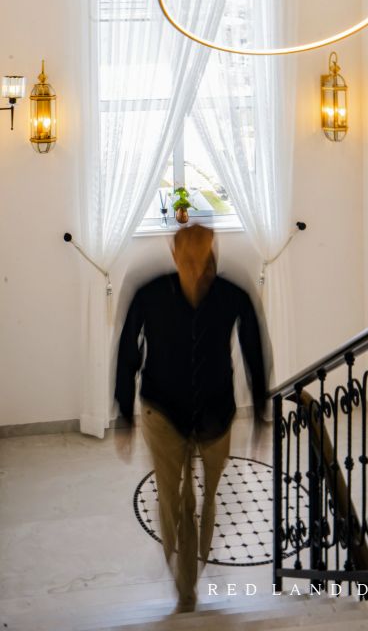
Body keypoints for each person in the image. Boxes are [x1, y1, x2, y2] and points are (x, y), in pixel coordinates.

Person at [114, 223, 269, 613]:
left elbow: (253, 350)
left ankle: (193, 569)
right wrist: (124, 415)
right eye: (187, 259)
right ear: (174, 253)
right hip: (161, 412)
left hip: (216, 413)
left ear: (213, 252)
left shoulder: (233, 295)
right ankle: (184, 584)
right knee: (174, 499)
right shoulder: (149, 294)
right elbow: (128, 353)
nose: (196, 268)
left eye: (202, 259)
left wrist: (262, 412)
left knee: (206, 499)